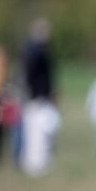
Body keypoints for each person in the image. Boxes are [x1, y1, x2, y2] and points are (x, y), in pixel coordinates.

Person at [21, 18, 60, 176]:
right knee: (37, 133)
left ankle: (38, 162)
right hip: (37, 98)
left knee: (40, 133)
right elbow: (34, 78)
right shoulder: (36, 54)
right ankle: (35, 164)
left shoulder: (36, 52)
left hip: (38, 98)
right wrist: (39, 94)